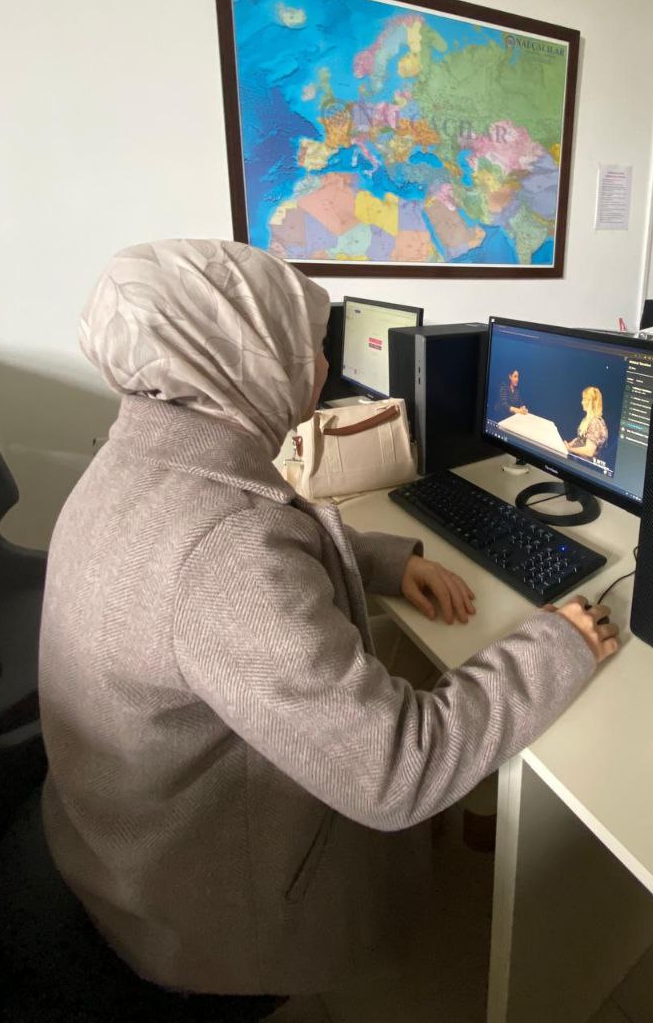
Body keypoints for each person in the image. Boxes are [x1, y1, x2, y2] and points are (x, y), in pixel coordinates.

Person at [38, 239, 620, 1005]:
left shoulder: (136, 461)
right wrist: (556, 645)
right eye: (307, 345)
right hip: (192, 910)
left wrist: (383, 561)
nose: (321, 367)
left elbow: (251, 545)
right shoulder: (226, 554)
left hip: (117, 843)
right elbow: (397, 770)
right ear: (243, 360)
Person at [566, 385, 608, 459]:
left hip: (584, 463)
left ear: (591, 402)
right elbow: (581, 439)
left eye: (584, 399)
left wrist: (570, 449)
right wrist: (568, 445)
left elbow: (589, 451)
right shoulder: (587, 420)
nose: (582, 402)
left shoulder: (596, 422)